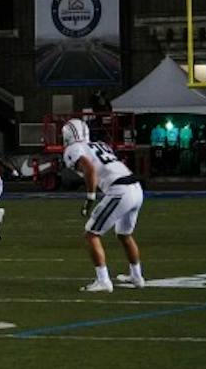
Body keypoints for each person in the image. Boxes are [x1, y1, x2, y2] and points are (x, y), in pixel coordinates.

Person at [61, 116, 144, 292]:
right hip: (136, 188)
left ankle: (103, 281)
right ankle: (137, 277)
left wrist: (90, 197)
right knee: (124, 234)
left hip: (120, 191)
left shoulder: (74, 148)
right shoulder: (100, 144)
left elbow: (89, 169)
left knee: (91, 234)